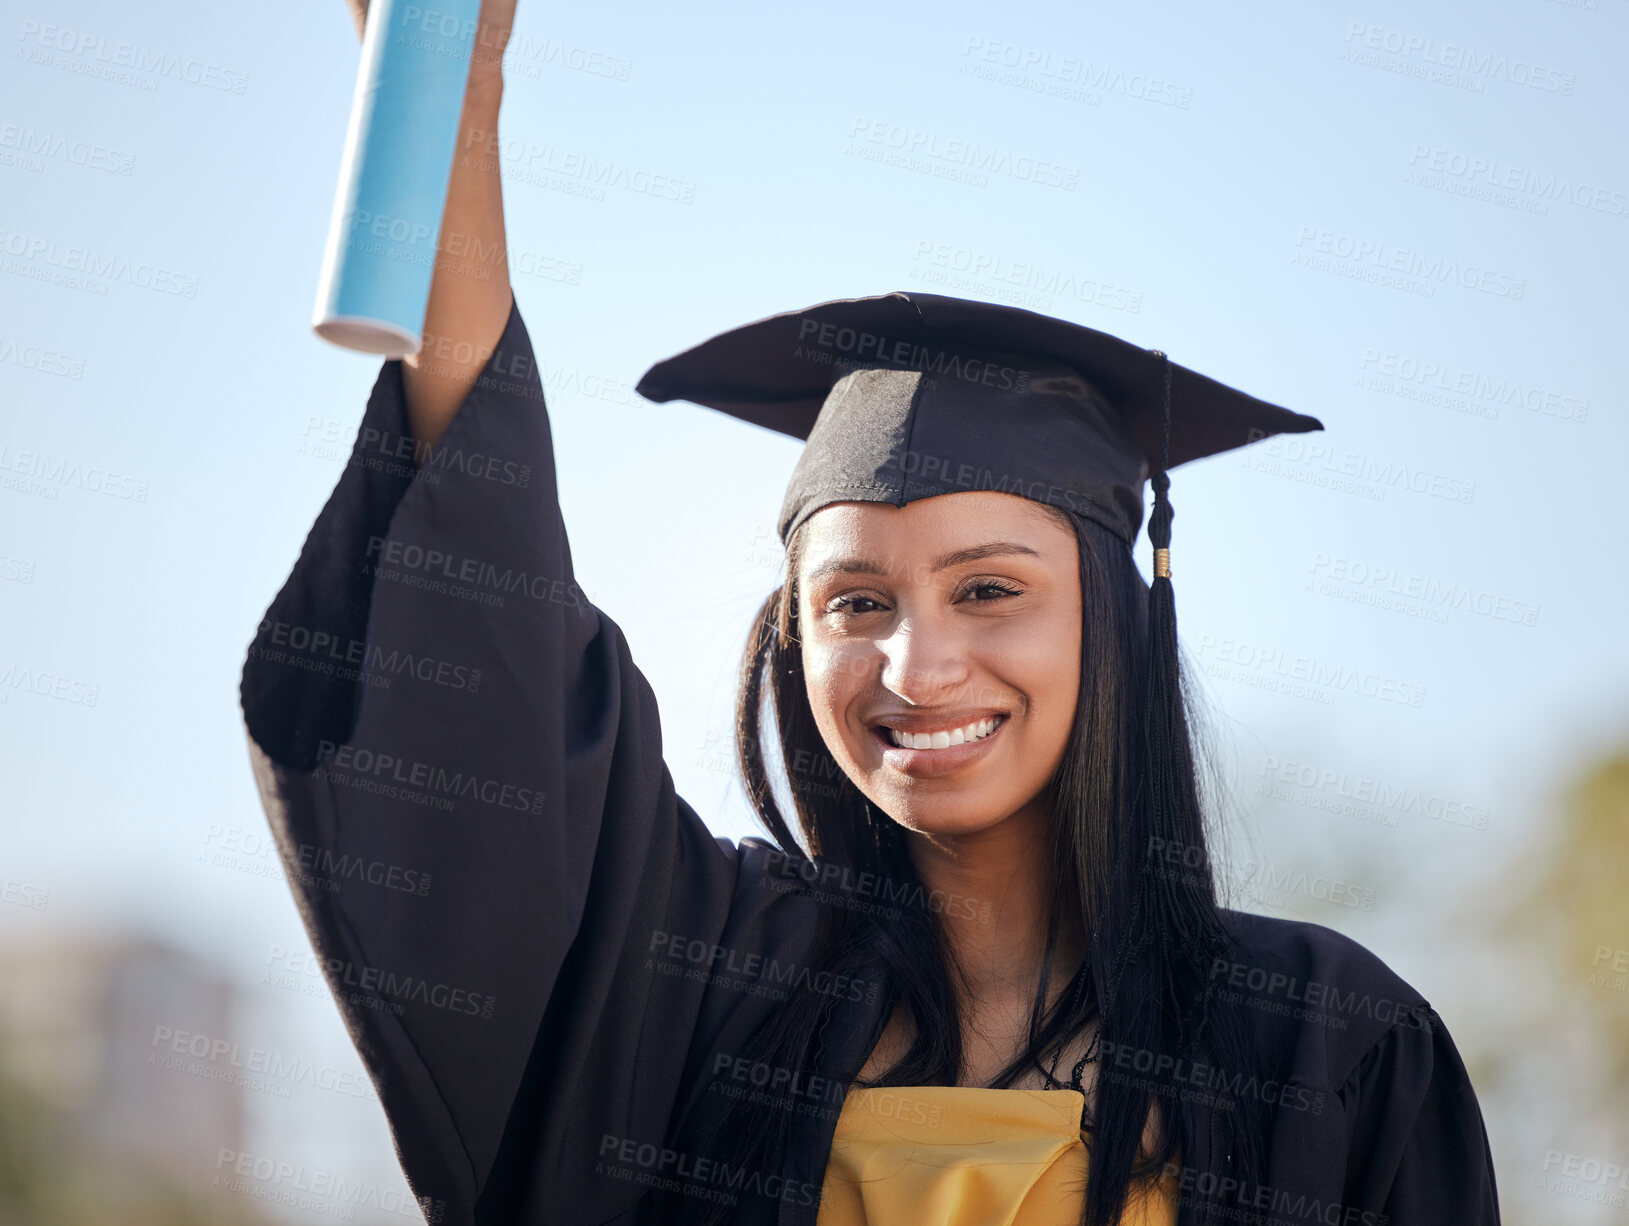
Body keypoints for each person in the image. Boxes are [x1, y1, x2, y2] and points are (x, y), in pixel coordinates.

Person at [239, 3, 1502, 1223]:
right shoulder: (709, 993)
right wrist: (457, 102)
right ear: (790, 639)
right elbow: (479, 647)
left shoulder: (1323, 1048)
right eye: (854, 601)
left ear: (1110, 623)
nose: (919, 662)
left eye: (990, 589)